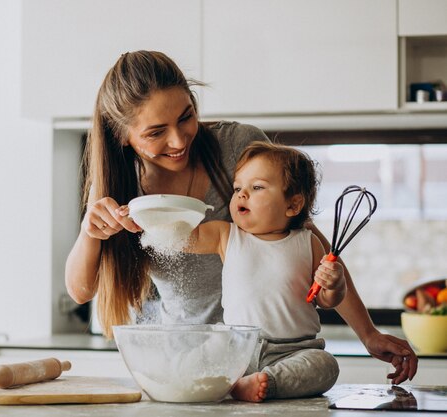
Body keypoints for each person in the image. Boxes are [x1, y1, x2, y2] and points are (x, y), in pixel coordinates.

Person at [64, 50, 417, 385]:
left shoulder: (238, 146)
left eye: (186, 116)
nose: (178, 139)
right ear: (122, 136)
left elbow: (317, 251)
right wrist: (90, 233)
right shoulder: (121, 189)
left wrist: (368, 334)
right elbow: (81, 291)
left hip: (272, 354)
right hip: (191, 363)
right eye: (156, 132)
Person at [186, 141, 344, 401]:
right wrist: (147, 220)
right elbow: (185, 237)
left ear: (292, 205)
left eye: (256, 187)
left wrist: (335, 285)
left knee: (325, 365)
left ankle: (262, 383)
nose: (241, 195)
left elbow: (324, 300)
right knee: (197, 354)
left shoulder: (308, 242)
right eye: (238, 188)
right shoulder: (226, 235)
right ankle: (235, 381)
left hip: (294, 351)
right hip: (236, 347)